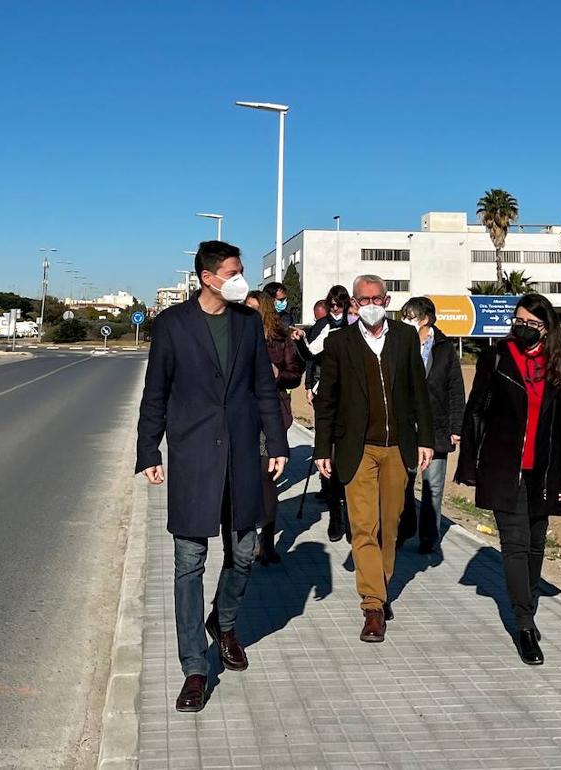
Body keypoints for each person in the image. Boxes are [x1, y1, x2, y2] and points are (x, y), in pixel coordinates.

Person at [136, 240, 290, 713]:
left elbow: (264, 387)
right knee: (189, 563)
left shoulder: (247, 325)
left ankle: (222, 623)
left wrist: (278, 444)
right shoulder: (172, 325)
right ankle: (195, 669)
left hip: (243, 456)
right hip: (194, 457)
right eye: (234, 271)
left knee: (243, 553)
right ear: (208, 277)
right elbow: (156, 392)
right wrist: (149, 450)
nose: (242, 278)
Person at [454, 293, 561, 666]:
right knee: (516, 546)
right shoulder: (496, 358)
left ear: (547, 328)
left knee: (537, 546)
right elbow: (476, 410)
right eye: (518, 321)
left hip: (544, 471)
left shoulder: (558, 364)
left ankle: (529, 606)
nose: (523, 328)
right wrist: (469, 466)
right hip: (502, 467)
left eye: (532, 324)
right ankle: (524, 626)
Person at [313, 275, 434, 643]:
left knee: (390, 525)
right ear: (353, 302)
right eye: (361, 299)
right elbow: (328, 401)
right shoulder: (339, 342)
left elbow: (418, 392)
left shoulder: (404, 337)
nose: (369, 305)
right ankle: (372, 606)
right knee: (363, 526)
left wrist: (425, 440)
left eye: (375, 298)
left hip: (398, 446)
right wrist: (322, 449)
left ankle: (380, 585)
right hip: (357, 448)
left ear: (387, 299)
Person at [396, 297, 465, 554]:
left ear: (425, 319)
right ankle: (404, 529)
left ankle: (429, 536)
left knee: (432, 486)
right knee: (404, 482)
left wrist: (456, 427)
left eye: (410, 316)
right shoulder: (401, 344)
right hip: (407, 426)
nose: (406, 320)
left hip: (437, 426)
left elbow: (456, 390)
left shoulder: (445, 348)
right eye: (404, 315)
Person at [245, 289, 303, 564]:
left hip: (271, 416)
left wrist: (280, 374)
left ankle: (266, 543)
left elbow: (295, 375)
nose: (250, 314)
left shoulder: (280, 340)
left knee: (267, 477)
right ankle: (244, 537)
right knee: (245, 478)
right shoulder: (235, 337)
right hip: (240, 416)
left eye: (255, 309)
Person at [295, 285, 354, 540]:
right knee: (327, 457)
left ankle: (352, 518)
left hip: (353, 399)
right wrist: (299, 342)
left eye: (340, 303)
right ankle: (335, 515)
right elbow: (310, 354)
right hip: (327, 397)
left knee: (351, 459)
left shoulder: (358, 326)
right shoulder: (324, 327)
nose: (336, 308)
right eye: (332, 304)